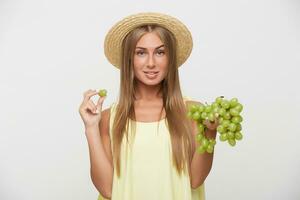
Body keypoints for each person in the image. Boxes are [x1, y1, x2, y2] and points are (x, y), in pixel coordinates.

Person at [78, 12, 218, 200]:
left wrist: (210, 132)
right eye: (141, 52)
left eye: (160, 52)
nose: (151, 63)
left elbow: (195, 180)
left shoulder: (192, 112)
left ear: (170, 59)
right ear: (129, 59)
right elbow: (107, 190)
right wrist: (91, 128)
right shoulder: (108, 118)